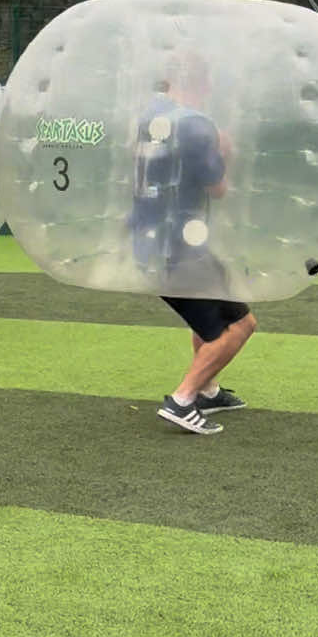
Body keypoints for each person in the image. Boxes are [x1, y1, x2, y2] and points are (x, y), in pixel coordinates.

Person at [131, 55, 257, 435]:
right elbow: (218, 189)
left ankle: (207, 389)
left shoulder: (149, 117)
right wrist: (225, 153)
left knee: (225, 319)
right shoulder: (197, 125)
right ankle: (183, 399)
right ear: (200, 83)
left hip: (153, 244)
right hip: (181, 250)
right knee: (236, 328)